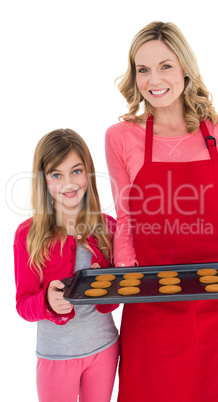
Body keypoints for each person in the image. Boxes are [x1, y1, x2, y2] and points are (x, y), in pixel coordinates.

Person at [105, 21, 218, 402]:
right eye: (142, 69)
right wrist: (131, 281)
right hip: (151, 308)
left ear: (185, 69)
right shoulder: (121, 137)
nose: (153, 79)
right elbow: (126, 221)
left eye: (165, 66)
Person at [14, 129, 119, 402]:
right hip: (56, 356)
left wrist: (108, 287)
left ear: (88, 173)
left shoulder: (108, 227)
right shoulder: (28, 235)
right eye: (56, 175)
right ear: (43, 180)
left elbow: (113, 302)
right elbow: (23, 304)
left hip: (105, 349)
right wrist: (47, 302)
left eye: (76, 171)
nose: (69, 183)